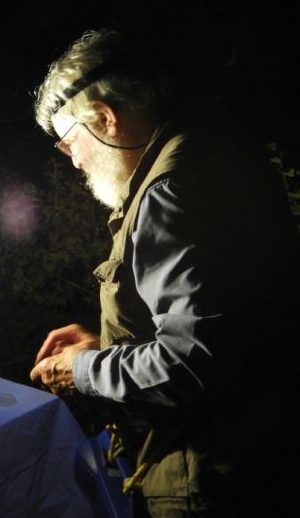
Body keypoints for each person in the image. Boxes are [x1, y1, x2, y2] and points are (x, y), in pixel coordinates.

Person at [28, 29, 299, 517]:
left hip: (206, 476)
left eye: (69, 142)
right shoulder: (217, 152)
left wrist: (82, 369)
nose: (72, 160)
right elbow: (222, 324)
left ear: (106, 119)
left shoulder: (168, 191)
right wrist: (107, 349)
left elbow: (188, 364)